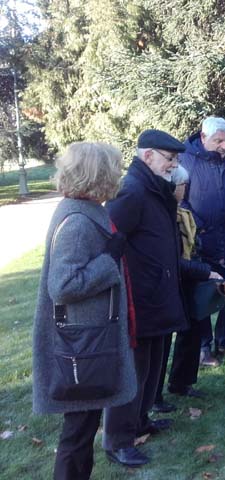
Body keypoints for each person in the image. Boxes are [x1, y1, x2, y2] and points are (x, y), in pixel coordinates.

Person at [32, 142, 137, 480]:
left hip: (87, 340)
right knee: (77, 434)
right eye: (114, 169)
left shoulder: (83, 208)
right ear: (98, 175)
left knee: (82, 428)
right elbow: (62, 286)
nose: (119, 175)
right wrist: (108, 261)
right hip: (82, 345)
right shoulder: (78, 221)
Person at [102, 130, 188, 467]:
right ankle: (118, 441)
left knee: (152, 365)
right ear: (148, 156)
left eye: (175, 160)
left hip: (156, 292)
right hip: (137, 298)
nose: (174, 166)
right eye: (170, 159)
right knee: (132, 371)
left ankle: (140, 421)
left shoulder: (154, 187)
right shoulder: (133, 190)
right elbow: (110, 242)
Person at [180, 117, 225, 364]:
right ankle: (204, 347)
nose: (224, 146)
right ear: (203, 138)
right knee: (203, 297)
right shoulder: (186, 160)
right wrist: (196, 230)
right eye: (218, 141)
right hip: (201, 244)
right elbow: (179, 201)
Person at [152, 165, 222, 413]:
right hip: (168, 282)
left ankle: (181, 383)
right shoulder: (160, 215)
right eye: (182, 186)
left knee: (193, 330)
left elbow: (193, 246)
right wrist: (204, 271)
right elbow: (169, 258)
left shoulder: (183, 210)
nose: (185, 190)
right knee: (161, 342)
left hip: (190, 278)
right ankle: (154, 396)